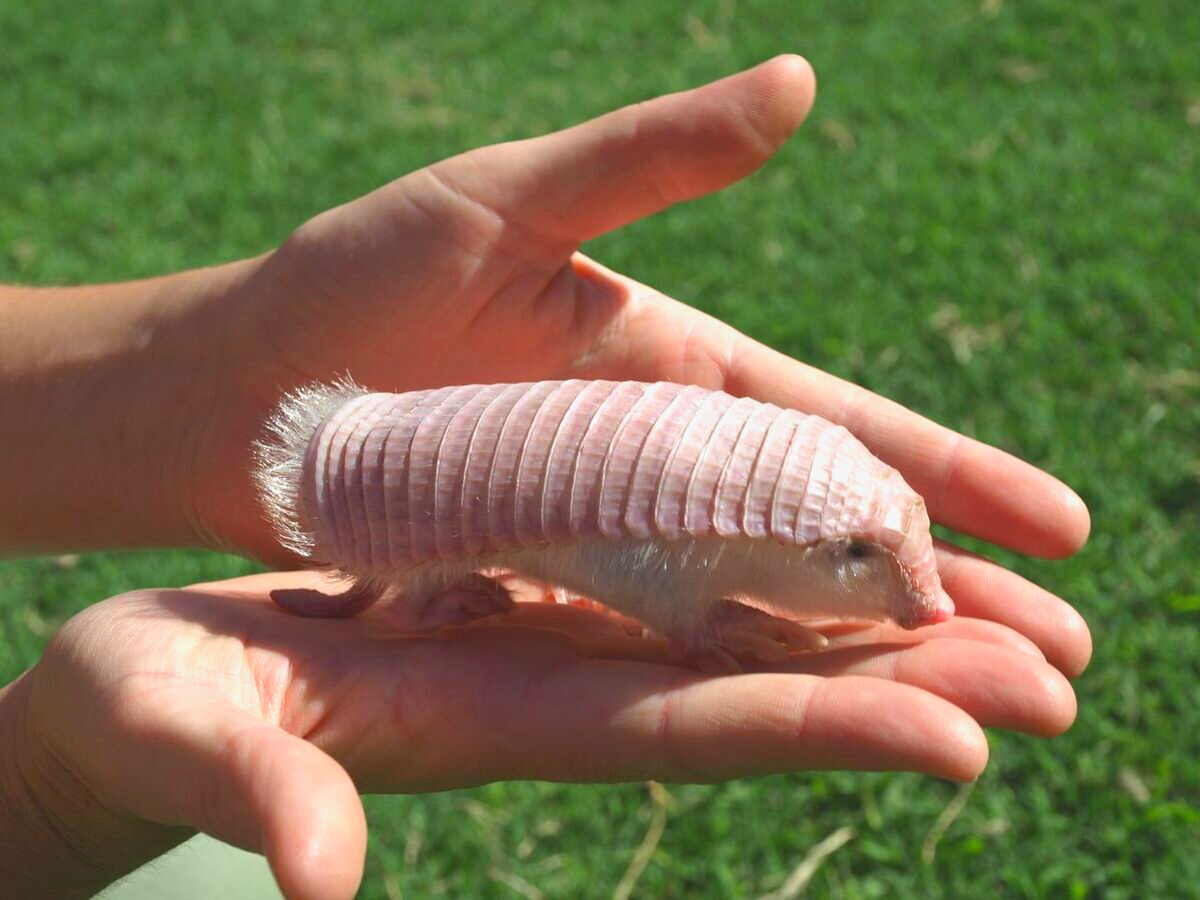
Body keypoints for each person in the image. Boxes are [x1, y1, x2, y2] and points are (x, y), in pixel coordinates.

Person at [0, 56, 1091, 899]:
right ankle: (423, 582)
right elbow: (626, 560)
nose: (913, 599)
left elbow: (616, 542)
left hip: (420, 472)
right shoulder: (706, 524)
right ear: (790, 528)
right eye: (863, 559)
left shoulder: (746, 507)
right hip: (411, 484)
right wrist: (41, 794)